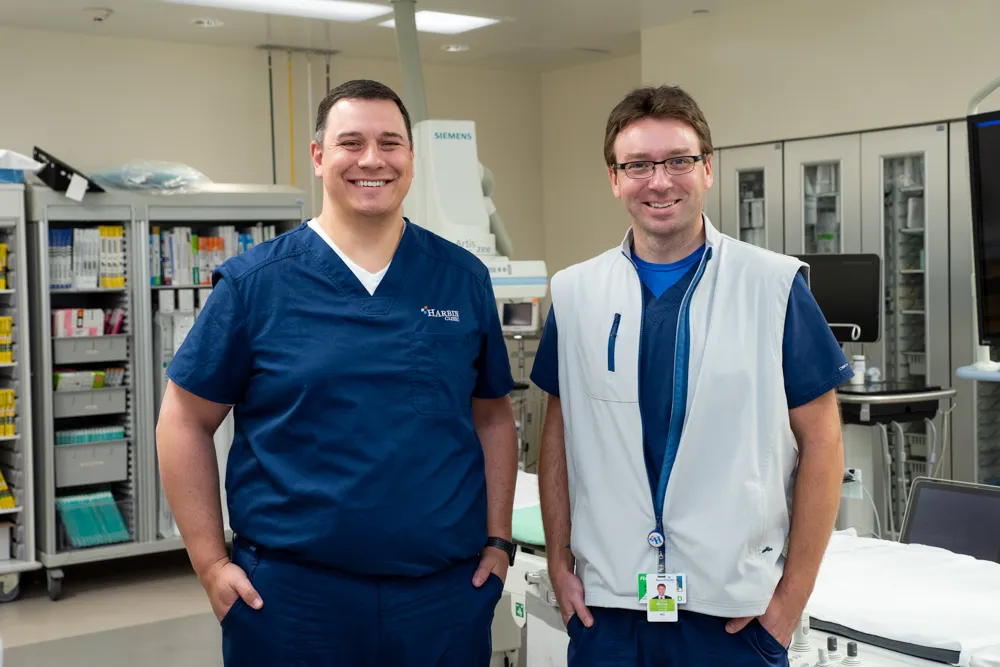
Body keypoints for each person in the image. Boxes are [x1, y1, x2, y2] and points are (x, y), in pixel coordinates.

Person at [156, 79, 519, 666]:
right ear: (320, 157)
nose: (372, 159)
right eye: (351, 142)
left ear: (410, 160)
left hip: (441, 601)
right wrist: (210, 563)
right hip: (293, 601)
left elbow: (493, 415)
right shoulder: (255, 285)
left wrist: (498, 542)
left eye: (390, 143)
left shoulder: (461, 279)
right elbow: (182, 419)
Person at [532, 85, 852, 666]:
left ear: (707, 169)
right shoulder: (576, 294)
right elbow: (559, 435)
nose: (659, 181)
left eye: (678, 160)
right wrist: (559, 561)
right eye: (638, 165)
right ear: (614, 178)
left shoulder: (773, 287)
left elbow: (824, 443)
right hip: (609, 613)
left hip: (733, 619)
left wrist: (788, 602)